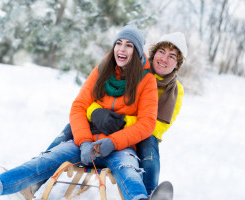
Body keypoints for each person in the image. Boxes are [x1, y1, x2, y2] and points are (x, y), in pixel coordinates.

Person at [0, 25, 159, 200]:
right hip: (85, 143)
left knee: (129, 172)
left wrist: (113, 142)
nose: (122, 49)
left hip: (120, 147)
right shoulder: (101, 71)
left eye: (129, 45)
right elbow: (78, 106)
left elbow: (147, 123)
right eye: (119, 43)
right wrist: (85, 142)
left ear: (137, 51)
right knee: (42, 162)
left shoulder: (146, 81)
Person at [43, 32, 188, 195]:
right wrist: (96, 112)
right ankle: (39, 174)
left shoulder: (176, 91)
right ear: (153, 54)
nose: (164, 59)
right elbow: (101, 99)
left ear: (177, 64)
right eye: (161, 52)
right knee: (74, 126)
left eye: (172, 56)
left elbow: (159, 126)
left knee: (150, 143)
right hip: (106, 123)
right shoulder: (134, 70)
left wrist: (122, 121)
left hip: (140, 133)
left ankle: (149, 194)